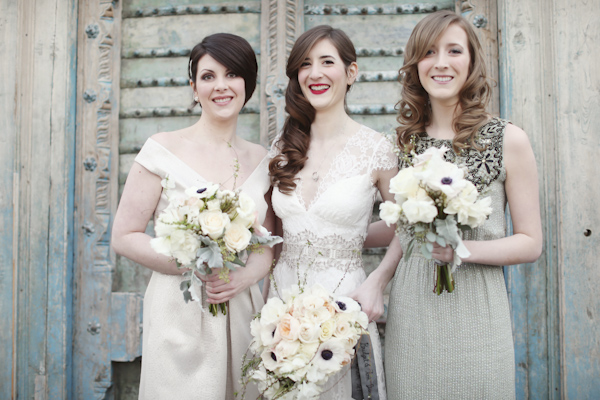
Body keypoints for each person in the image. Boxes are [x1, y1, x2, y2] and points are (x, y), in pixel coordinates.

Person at [381, 10, 543, 399]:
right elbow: (398, 230)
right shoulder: (401, 144)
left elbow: (530, 242)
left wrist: (462, 249)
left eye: (454, 51)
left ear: (471, 61)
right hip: (413, 304)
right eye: (429, 52)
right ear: (415, 65)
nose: (441, 63)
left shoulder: (509, 140)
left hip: (478, 305)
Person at [111, 33, 274, 399]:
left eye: (232, 74)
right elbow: (124, 235)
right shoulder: (161, 150)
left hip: (242, 310)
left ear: (248, 83)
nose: (221, 86)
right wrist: (190, 262)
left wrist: (243, 277)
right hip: (178, 311)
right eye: (208, 76)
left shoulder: (262, 161)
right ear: (193, 87)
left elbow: (269, 244)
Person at [266, 25, 403, 399]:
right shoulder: (281, 148)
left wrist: (378, 280)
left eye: (327, 61)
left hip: (345, 304)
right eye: (305, 64)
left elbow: (406, 226)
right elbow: (274, 236)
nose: (315, 73)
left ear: (351, 72)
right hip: (280, 303)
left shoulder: (376, 149)